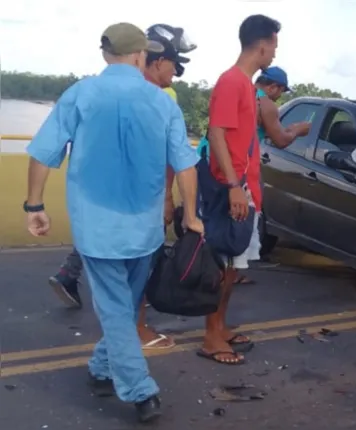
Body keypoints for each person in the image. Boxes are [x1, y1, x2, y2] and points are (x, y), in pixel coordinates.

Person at [24, 22, 202, 422]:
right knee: (122, 307)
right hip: (145, 230)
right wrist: (190, 215)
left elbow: (43, 152)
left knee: (118, 310)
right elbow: (186, 164)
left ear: (106, 55)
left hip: (97, 227)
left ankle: (105, 369)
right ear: (141, 55)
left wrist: (33, 205)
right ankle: (140, 389)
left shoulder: (80, 94)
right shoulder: (162, 103)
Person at [46, 24, 196, 350]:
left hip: (102, 207)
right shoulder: (161, 98)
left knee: (113, 271)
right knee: (133, 274)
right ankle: (134, 352)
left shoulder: (96, 92)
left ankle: (112, 349)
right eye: (175, 65)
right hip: (139, 206)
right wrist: (172, 202)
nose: (175, 73)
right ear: (153, 61)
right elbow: (172, 160)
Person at [198, 14, 281, 365]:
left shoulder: (247, 85)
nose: (274, 53)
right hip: (228, 187)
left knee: (233, 265)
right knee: (223, 262)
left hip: (243, 187)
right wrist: (234, 186)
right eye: (274, 46)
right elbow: (216, 133)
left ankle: (221, 326)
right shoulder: (232, 81)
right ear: (261, 45)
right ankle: (211, 336)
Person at [227, 66, 311, 278]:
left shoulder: (242, 93)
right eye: (281, 91)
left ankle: (221, 271)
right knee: (242, 218)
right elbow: (281, 140)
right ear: (273, 87)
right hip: (244, 165)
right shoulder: (266, 104)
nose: (280, 96)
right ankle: (231, 274)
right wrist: (298, 130)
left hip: (218, 160)